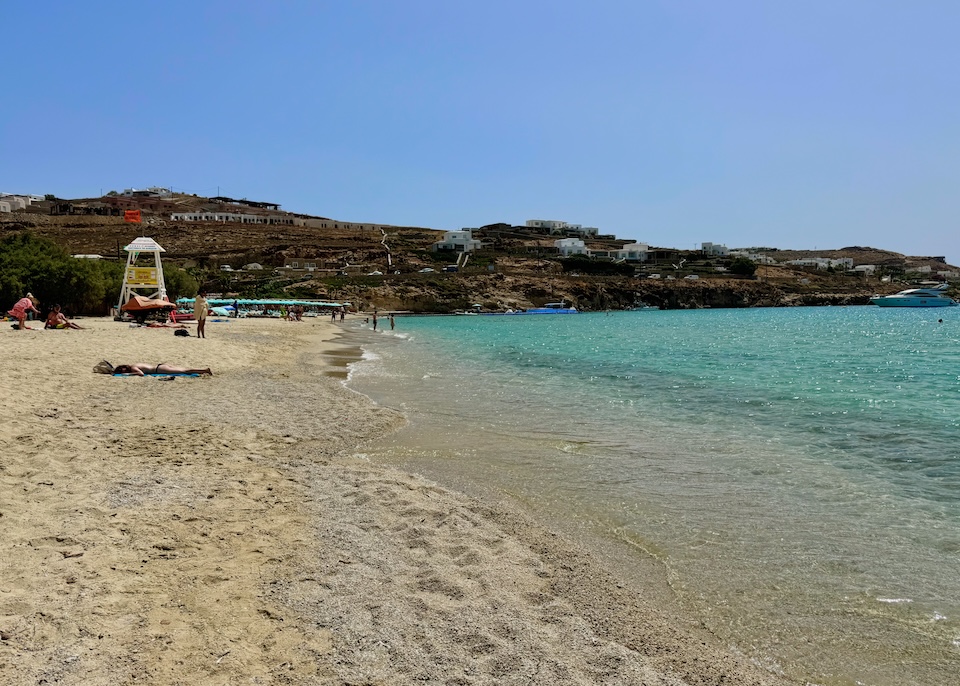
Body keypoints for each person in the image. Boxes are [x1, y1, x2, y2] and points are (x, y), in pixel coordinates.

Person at [111, 363, 213, 376]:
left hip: (159, 369)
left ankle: (204, 370)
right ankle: (203, 370)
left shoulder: (133, 367)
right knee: (185, 369)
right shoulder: (134, 364)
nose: (123, 372)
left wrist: (128, 375)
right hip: (161, 366)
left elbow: (141, 374)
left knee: (185, 371)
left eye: (122, 371)